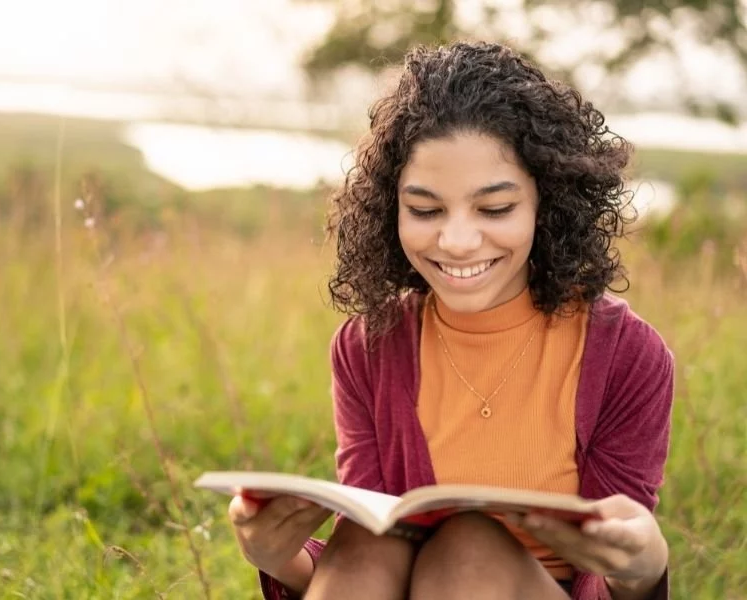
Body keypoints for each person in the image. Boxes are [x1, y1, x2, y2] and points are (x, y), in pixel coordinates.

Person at [228, 41, 674, 600]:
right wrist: (276, 556)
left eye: (495, 209)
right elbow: (361, 565)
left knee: (469, 545)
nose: (457, 241)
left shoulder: (628, 356)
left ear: (547, 202)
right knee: (368, 540)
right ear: (392, 209)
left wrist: (643, 561)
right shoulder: (368, 347)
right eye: (425, 209)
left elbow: (617, 578)